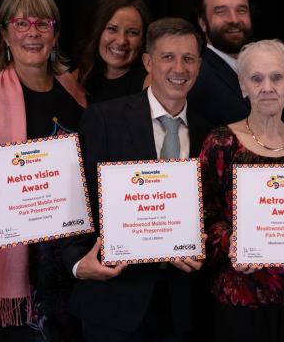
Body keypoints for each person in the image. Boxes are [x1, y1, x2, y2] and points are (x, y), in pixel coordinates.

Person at [0, 0, 87, 342]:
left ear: (55, 35)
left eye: (43, 24)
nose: (32, 33)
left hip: (75, 258)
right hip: (19, 268)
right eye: (21, 23)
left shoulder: (75, 90)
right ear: (4, 33)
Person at [61, 17, 210, 341]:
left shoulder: (210, 132)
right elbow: (77, 197)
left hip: (183, 307)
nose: (179, 68)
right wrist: (76, 262)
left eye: (188, 58)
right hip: (112, 300)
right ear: (148, 62)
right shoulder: (104, 118)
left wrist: (207, 244)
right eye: (167, 57)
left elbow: (211, 212)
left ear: (199, 65)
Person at [199, 40, 284, 341]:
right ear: (243, 86)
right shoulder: (221, 143)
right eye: (256, 78)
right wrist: (234, 242)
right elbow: (201, 217)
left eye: (277, 77)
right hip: (242, 304)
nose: (267, 87)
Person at [188, 0, 254, 127]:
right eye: (221, 12)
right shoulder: (195, 77)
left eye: (241, 10)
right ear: (203, 23)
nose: (234, 20)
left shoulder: (264, 66)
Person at [75, 0, 152, 104]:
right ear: (98, 32)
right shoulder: (80, 76)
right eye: (112, 29)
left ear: (143, 40)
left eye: (132, 32)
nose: (121, 41)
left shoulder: (150, 81)